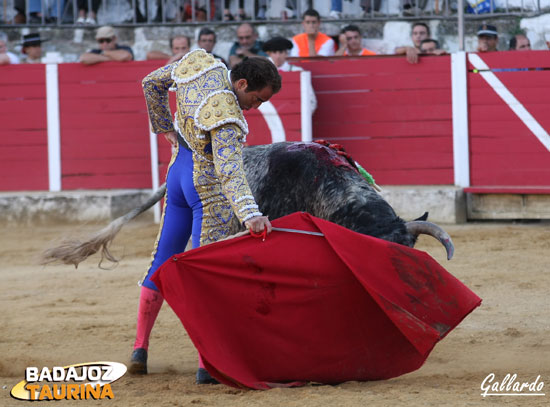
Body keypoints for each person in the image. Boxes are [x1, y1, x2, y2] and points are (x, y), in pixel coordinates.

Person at [132, 50, 281, 384]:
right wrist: (251, 213)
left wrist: (164, 126)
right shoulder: (226, 115)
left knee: (161, 259)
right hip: (206, 193)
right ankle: (206, 365)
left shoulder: (200, 63)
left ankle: (140, 348)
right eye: (255, 99)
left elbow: (151, 82)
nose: (253, 108)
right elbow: (229, 172)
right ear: (241, 83)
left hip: (178, 174)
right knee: (205, 275)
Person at [263, 36, 317, 113]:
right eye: (274, 52)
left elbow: (311, 101)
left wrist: (302, 117)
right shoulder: (263, 72)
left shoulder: (298, 72)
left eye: (281, 52)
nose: (278, 56)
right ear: (269, 54)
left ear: (286, 53)